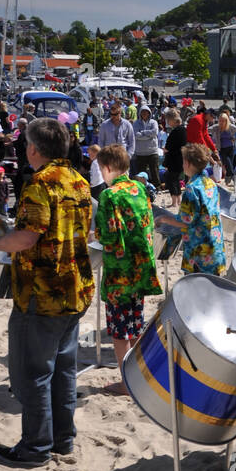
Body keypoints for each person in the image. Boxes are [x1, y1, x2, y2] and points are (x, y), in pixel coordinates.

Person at [0, 117, 94, 467]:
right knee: (63, 370)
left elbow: (27, 238)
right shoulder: (80, 181)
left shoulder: (39, 185)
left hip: (43, 294)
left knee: (32, 373)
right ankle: (63, 439)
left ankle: (35, 447)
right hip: (75, 289)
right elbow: (81, 234)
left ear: (33, 148)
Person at [94, 144, 162, 395]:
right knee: (135, 326)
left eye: (101, 169)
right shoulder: (139, 188)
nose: (101, 174)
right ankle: (138, 377)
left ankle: (126, 383)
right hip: (140, 269)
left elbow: (110, 237)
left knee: (120, 331)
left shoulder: (109, 195)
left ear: (108, 167)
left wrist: (96, 233)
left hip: (120, 274)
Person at [179, 143, 226, 275]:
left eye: (183, 161)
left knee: (198, 293)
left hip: (199, 254)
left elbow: (185, 221)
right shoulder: (210, 183)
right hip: (215, 248)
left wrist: (164, 220)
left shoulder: (191, 188)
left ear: (187, 163)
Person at [132, 105, 162, 187]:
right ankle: (141, 188)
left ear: (149, 113)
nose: (144, 113)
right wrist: (148, 135)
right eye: (143, 112)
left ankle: (157, 187)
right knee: (141, 173)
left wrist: (142, 133)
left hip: (152, 151)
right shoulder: (136, 123)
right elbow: (135, 135)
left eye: (146, 112)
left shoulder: (154, 122)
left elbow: (155, 133)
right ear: (140, 113)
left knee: (155, 171)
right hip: (140, 152)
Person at [162, 109, 187, 208]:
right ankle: (179, 200)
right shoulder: (184, 129)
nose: (167, 122)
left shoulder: (176, 131)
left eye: (168, 120)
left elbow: (168, 146)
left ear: (172, 119)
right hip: (180, 158)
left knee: (170, 178)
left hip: (174, 159)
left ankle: (174, 202)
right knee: (175, 179)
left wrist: (165, 150)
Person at [210, 110, 236, 182]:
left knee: (229, 164)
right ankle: (233, 176)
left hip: (231, 147)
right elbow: (207, 130)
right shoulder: (216, 127)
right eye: (220, 120)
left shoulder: (230, 126)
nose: (221, 122)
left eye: (223, 121)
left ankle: (228, 178)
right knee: (227, 162)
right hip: (222, 148)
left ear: (226, 120)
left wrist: (235, 139)